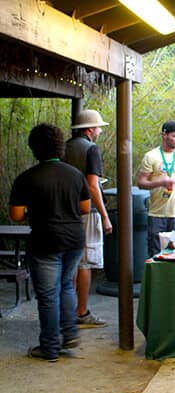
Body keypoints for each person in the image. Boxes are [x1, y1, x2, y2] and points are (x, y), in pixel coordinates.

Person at [9, 123, 91, 361]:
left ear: (34, 148)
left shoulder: (26, 178)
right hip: (74, 239)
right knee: (66, 285)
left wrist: (33, 212)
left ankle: (50, 347)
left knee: (47, 295)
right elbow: (85, 208)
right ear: (59, 146)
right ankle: (70, 332)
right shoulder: (75, 174)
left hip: (45, 240)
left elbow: (15, 215)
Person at [65, 109, 112, 328]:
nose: (101, 131)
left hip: (66, 210)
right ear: (90, 129)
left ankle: (68, 309)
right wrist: (105, 216)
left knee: (72, 262)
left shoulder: (65, 147)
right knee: (86, 262)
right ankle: (81, 312)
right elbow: (93, 185)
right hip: (87, 211)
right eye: (99, 127)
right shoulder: (91, 150)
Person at [137, 121, 175, 257]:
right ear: (164, 135)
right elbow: (141, 183)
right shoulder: (151, 156)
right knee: (156, 252)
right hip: (157, 214)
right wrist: (160, 183)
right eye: (174, 136)